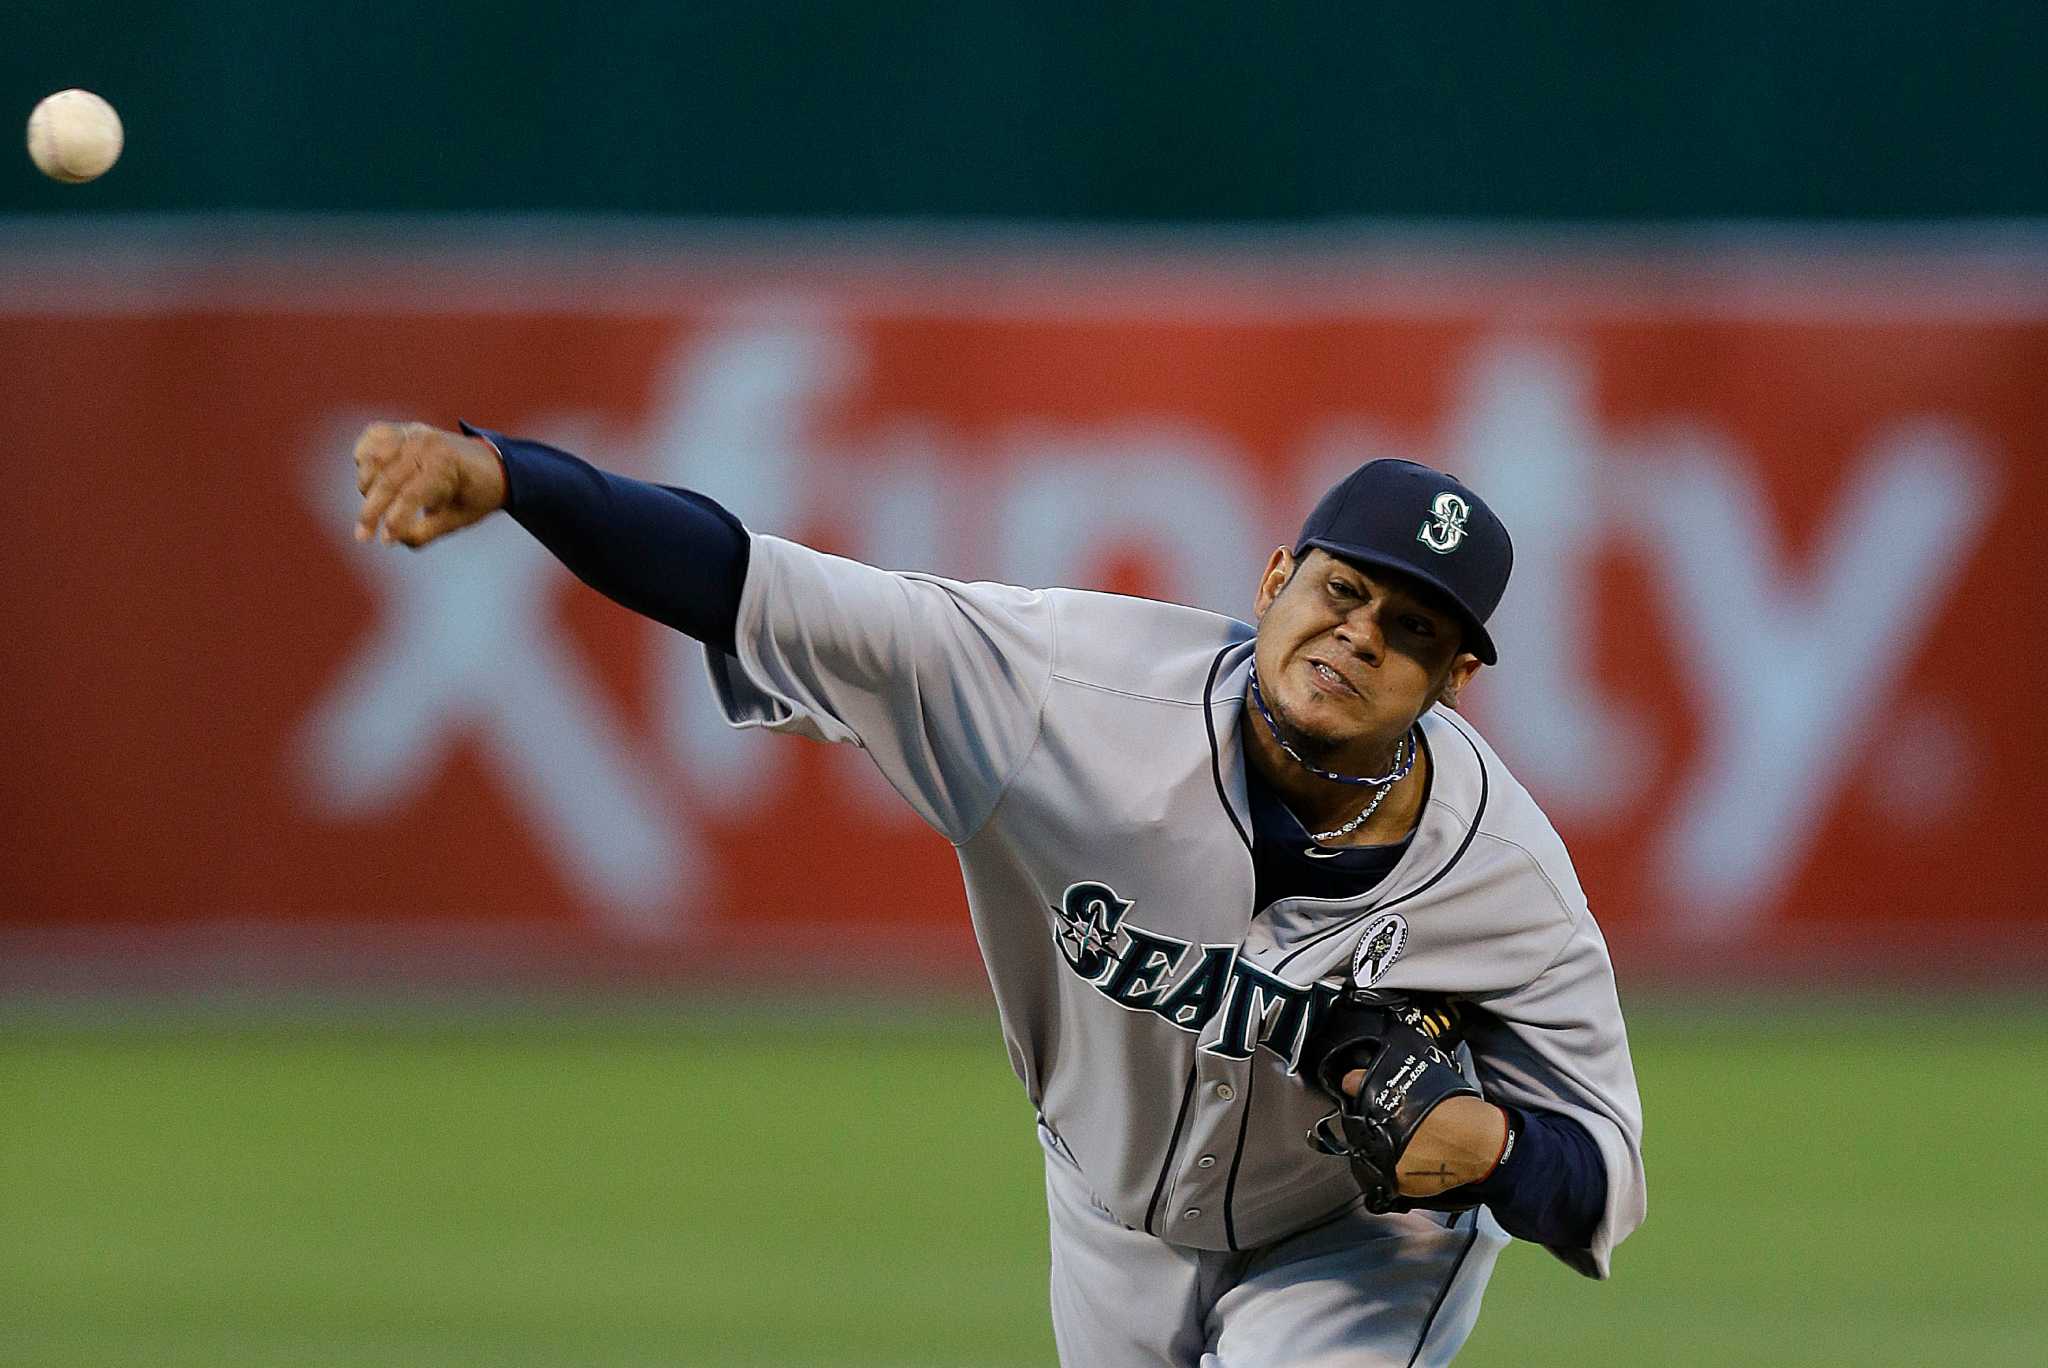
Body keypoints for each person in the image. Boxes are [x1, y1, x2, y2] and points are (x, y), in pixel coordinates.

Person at [351, 419, 1645, 1367]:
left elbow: (1602, 1177)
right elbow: (746, 579)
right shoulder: (1066, 692)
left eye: (1414, 628)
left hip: (1355, 1250)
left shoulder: (1506, 877)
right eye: (1343, 592)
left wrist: (1499, 1151)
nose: (1361, 634)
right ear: (1271, 585)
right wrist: (512, 474)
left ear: (1456, 682)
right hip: (1105, 1209)